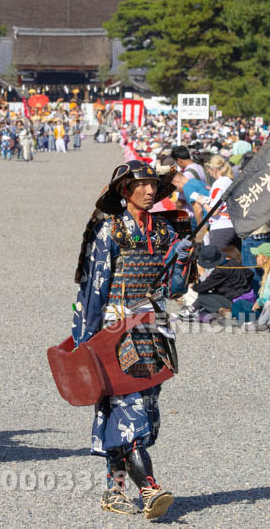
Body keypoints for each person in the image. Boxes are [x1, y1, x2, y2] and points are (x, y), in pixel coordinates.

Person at [72, 160, 186, 518]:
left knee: (146, 412)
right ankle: (150, 488)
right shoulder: (109, 231)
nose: (150, 190)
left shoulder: (167, 232)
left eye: (154, 184)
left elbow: (175, 288)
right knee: (128, 410)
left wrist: (183, 260)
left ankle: (113, 490)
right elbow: (94, 286)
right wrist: (84, 339)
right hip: (116, 330)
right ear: (125, 190)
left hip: (154, 328)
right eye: (142, 185)